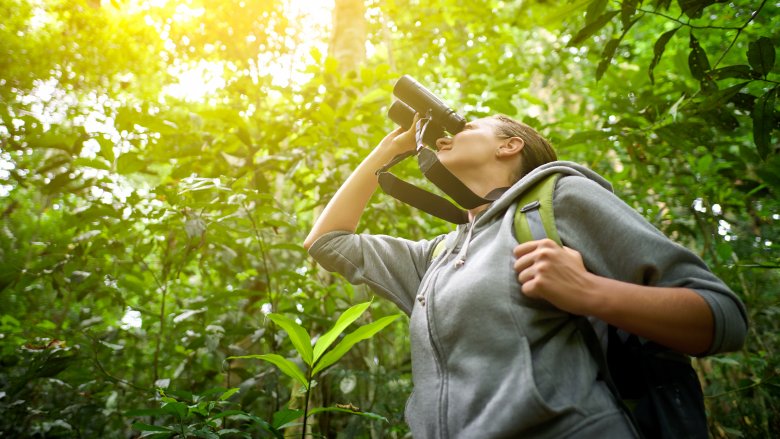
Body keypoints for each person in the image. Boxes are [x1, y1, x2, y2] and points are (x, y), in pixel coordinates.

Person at [303, 113, 747, 438]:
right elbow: (327, 242)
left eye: (469, 126)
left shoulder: (560, 198)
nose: (448, 136)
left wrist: (589, 292)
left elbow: (722, 318)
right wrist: (388, 151)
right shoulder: (438, 256)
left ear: (509, 145)